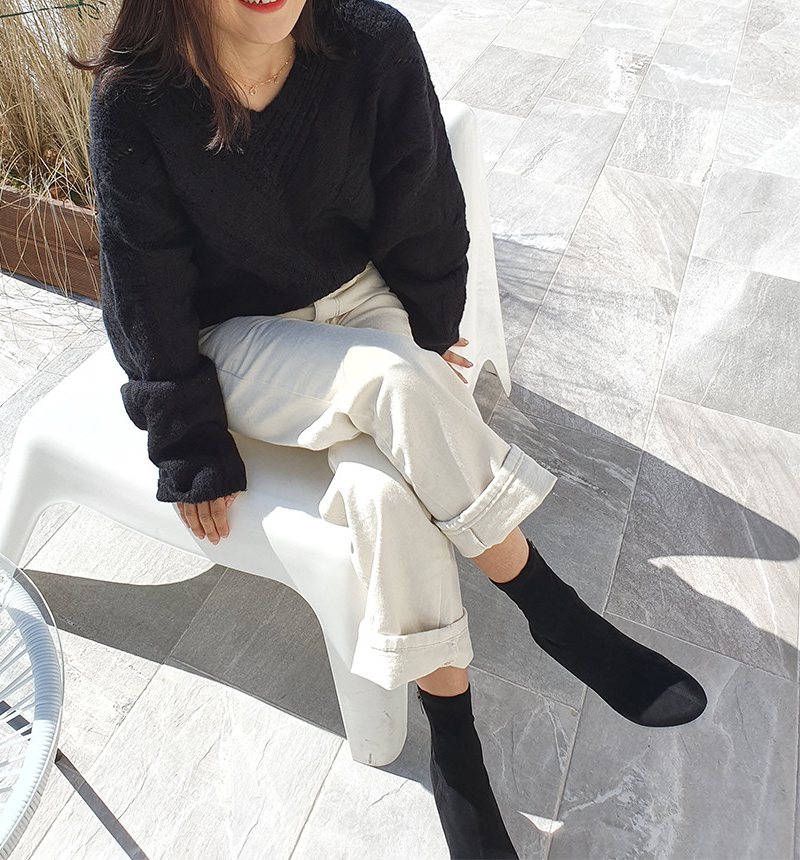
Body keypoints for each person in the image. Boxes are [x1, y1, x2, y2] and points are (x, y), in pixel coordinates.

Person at [72, 0, 707, 854]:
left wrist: (434, 325)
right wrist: (187, 440)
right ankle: (552, 609)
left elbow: (424, 200)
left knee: (383, 493)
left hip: (361, 297)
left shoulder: (369, 41)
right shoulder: (138, 97)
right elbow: (141, 283)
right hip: (240, 344)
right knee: (390, 377)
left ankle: (455, 744)